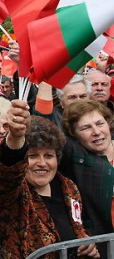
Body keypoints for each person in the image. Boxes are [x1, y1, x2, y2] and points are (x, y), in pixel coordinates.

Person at [0, 100, 99, 258]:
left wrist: (88, 244)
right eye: (32, 155)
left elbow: (79, 229)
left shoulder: (68, 187)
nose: (42, 163)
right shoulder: (10, 192)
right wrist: (16, 138)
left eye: (48, 155)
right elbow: (4, 173)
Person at [60, 99, 114, 258]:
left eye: (100, 123)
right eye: (86, 128)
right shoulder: (78, 160)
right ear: (74, 136)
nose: (96, 132)